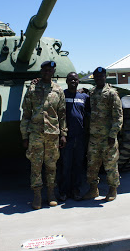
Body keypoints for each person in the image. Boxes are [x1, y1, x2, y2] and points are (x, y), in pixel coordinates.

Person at [20, 61, 67, 210]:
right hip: (35, 134)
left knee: (51, 165)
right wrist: (24, 136)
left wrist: (63, 134)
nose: (47, 72)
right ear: (41, 72)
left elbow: (62, 115)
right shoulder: (32, 88)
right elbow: (26, 113)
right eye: (45, 70)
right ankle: (37, 195)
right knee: (36, 165)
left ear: (53, 72)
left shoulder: (58, 90)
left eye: (50, 70)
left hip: (52, 134)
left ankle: (51, 193)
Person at [82, 66, 123, 202]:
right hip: (94, 137)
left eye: (101, 76)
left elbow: (118, 116)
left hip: (107, 137)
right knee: (92, 165)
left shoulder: (112, 93)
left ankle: (113, 189)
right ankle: (93, 189)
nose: (99, 78)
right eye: (97, 77)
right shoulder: (92, 92)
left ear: (105, 77)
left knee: (110, 165)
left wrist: (113, 134)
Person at [58, 72, 90, 201]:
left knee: (78, 165)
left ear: (78, 81)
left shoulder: (84, 96)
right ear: (66, 81)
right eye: (71, 79)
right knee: (65, 166)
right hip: (66, 137)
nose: (73, 81)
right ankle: (63, 191)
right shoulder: (62, 95)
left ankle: (76, 189)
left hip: (80, 137)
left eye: (75, 79)